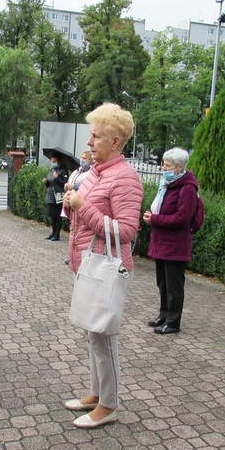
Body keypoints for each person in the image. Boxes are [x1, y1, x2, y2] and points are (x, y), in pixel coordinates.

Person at [62, 103, 143, 428]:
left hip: (107, 268)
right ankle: (96, 393)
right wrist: (72, 206)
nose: (90, 142)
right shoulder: (96, 174)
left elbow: (126, 231)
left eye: (97, 136)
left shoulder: (125, 177)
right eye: (90, 135)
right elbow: (86, 218)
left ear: (116, 141)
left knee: (104, 338)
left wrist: (83, 205)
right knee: (93, 334)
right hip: (88, 265)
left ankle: (108, 405)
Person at [142, 148, 200, 335]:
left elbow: (182, 218)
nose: (163, 168)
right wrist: (153, 216)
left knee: (174, 287)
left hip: (175, 245)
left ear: (180, 167)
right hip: (162, 242)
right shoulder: (167, 184)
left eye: (168, 165)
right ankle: (164, 315)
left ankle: (173, 322)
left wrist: (155, 220)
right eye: (164, 164)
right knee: (163, 283)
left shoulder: (187, 188)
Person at [43, 153, 69, 241]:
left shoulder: (63, 170)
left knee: (58, 215)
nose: (52, 163)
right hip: (51, 195)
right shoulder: (52, 170)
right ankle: (53, 233)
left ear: (58, 162)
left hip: (58, 195)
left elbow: (65, 183)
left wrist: (57, 177)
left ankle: (57, 234)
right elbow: (50, 183)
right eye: (51, 161)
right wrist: (46, 182)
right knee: (53, 215)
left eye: (54, 161)